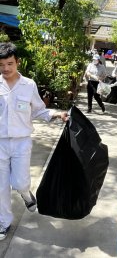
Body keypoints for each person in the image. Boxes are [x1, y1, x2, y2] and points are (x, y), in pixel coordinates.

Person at [0, 42, 68, 241]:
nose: (6, 68)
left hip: (21, 142)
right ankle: (4, 223)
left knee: (19, 182)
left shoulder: (28, 85)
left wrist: (57, 114)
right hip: (0, 143)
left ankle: (26, 194)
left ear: (18, 63)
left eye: (10, 63)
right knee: (1, 187)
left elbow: (39, 110)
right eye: (2, 64)